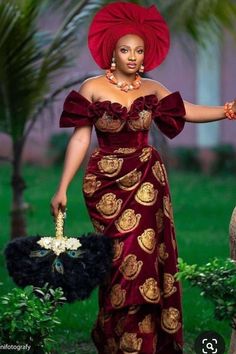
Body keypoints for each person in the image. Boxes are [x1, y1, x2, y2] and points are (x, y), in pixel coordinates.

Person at [50, 2, 236, 353]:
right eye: (125, 50)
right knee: (117, 261)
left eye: (138, 51)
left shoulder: (152, 89)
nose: (133, 56)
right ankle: (114, 336)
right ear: (112, 53)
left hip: (147, 181)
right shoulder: (91, 88)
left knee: (146, 256)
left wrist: (227, 110)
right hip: (104, 186)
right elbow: (79, 138)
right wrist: (61, 187)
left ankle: (144, 341)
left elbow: (186, 110)